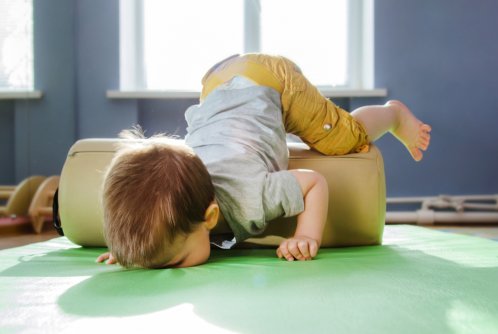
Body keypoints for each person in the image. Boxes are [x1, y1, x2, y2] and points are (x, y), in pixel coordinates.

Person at [96, 54, 431, 268]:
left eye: (173, 262)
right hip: (215, 85)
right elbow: (149, 203)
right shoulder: (182, 179)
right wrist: (137, 252)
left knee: (344, 138)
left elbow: (315, 182)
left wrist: (307, 235)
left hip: (272, 81)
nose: (166, 268)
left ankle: (393, 115)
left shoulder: (251, 196)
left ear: (210, 215)